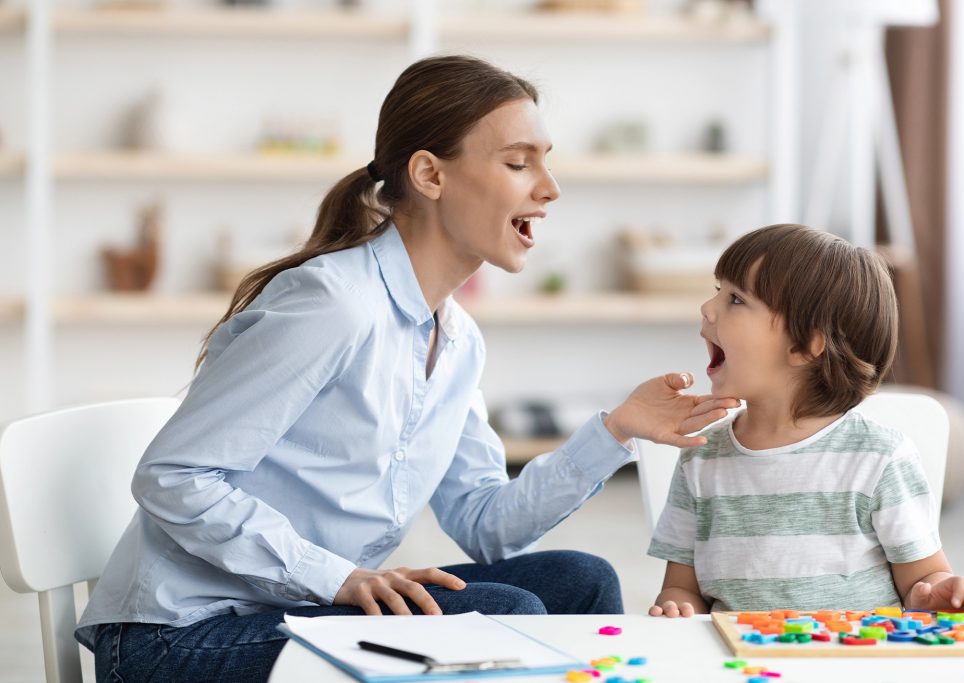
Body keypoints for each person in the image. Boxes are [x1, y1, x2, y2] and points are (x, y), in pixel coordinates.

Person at [75, 55, 738, 681]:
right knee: (505, 618)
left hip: (291, 612)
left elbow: (487, 525)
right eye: (518, 162)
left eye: (546, 163)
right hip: (176, 638)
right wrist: (338, 577)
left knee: (582, 580)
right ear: (430, 174)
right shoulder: (332, 304)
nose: (550, 188)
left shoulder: (456, 339)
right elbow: (173, 475)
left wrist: (616, 430)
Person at [647, 224, 964, 619]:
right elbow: (681, 587)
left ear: (803, 346)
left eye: (736, 299)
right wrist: (677, 607)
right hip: (740, 666)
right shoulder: (700, 458)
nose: (707, 309)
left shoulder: (879, 458)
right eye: (717, 292)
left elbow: (925, 577)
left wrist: (938, 594)